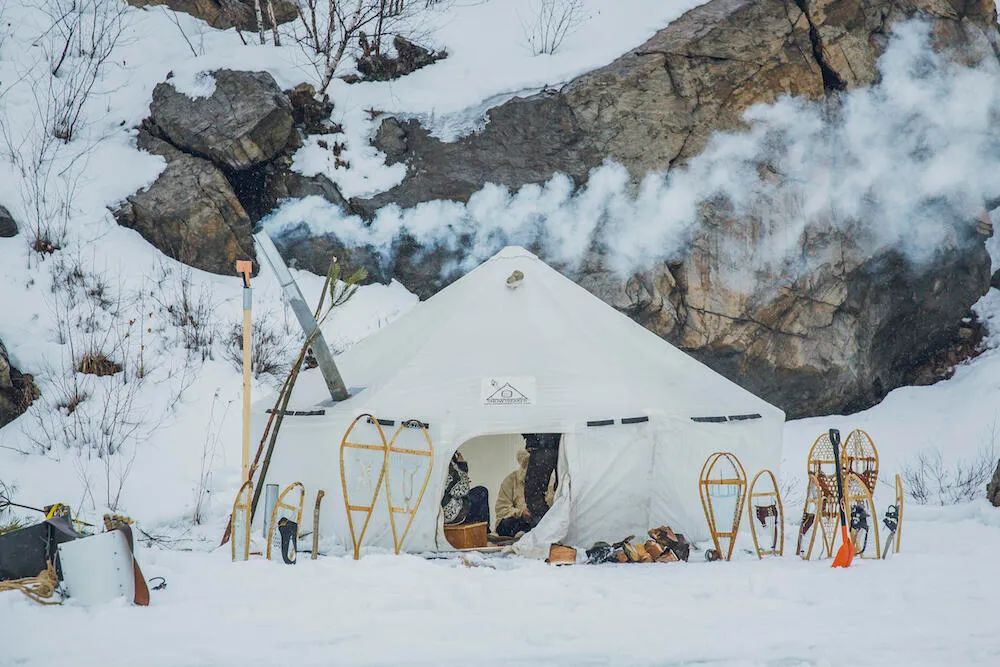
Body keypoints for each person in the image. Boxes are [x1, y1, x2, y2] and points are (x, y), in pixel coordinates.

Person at [495, 449, 555, 537]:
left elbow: (555, 509)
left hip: (540, 521)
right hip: (516, 522)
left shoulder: (550, 482)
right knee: (505, 525)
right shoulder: (510, 480)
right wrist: (521, 512)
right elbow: (501, 510)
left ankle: (527, 533)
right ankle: (525, 533)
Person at [441, 452, 490, 528]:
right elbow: (461, 490)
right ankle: (484, 532)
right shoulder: (446, 462)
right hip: (451, 513)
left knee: (472, 499)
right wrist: (462, 465)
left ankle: (480, 530)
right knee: (482, 491)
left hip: (441, 512)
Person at [522, 433, 561, 526]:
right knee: (564, 489)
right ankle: (550, 527)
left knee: (533, 493)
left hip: (543, 442)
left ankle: (546, 528)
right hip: (563, 440)